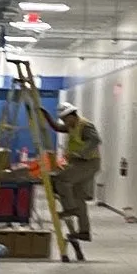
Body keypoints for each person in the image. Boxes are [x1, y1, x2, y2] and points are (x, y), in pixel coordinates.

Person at [56, 107, 101, 260]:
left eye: (65, 119)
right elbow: (58, 128)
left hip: (87, 163)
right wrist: (44, 115)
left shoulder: (85, 125)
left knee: (62, 179)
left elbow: (95, 140)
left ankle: (70, 209)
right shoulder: (72, 125)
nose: (64, 123)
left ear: (72, 115)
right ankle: (84, 231)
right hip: (79, 163)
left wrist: (81, 152)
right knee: (78, 196)